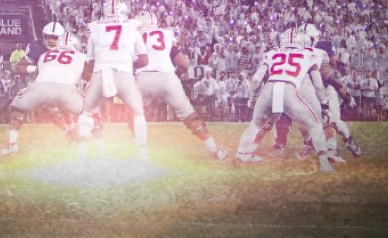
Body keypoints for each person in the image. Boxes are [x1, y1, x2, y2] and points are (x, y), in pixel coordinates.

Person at [232, 28, 334, 173]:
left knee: (255, 125)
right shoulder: (310, 53)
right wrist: (324, 103)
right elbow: (318, 84)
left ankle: (240, 156)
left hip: (269, 88)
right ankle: (324, 163)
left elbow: (255, 81)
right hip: (289, 88)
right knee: (315, 125)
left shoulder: (271, 53)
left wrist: (253, 97)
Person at [134, 11, 227, 161]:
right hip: (167, 76)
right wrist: (177, 73)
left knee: (134, 115)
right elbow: (184, 62)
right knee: (190, 116)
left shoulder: (134, 35)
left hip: (142, 77)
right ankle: (215, 150)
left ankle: (140, 154)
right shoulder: (165, 33)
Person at [76, 0, 150, 160]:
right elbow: (144, 60)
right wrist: (127, 64)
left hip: (101, 72)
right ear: (125, 11)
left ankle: (81, 155)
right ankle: (143, 155)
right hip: (124, 73)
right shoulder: (132, 27)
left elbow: (90, 61)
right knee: (138, 113)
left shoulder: (95, 29)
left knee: (86, 113)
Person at [1, 31, 87, 155]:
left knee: (16, 108)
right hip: (66, 89)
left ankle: (12, 145)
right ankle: (84, 143)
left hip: (41, 87)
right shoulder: (80, 56)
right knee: (88, 111)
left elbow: (32, 70)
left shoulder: (45, 54)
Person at [12, 21, 80, 141]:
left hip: (63, 83)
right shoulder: (37, 47)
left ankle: (72, 129)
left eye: (54, 37)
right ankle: (68, 130)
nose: (50, 40)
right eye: (47, 36)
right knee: (48, 110)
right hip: (42, 85)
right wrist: (34, 68)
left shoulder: (69, 46)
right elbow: (18, 66)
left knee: (65, 109)